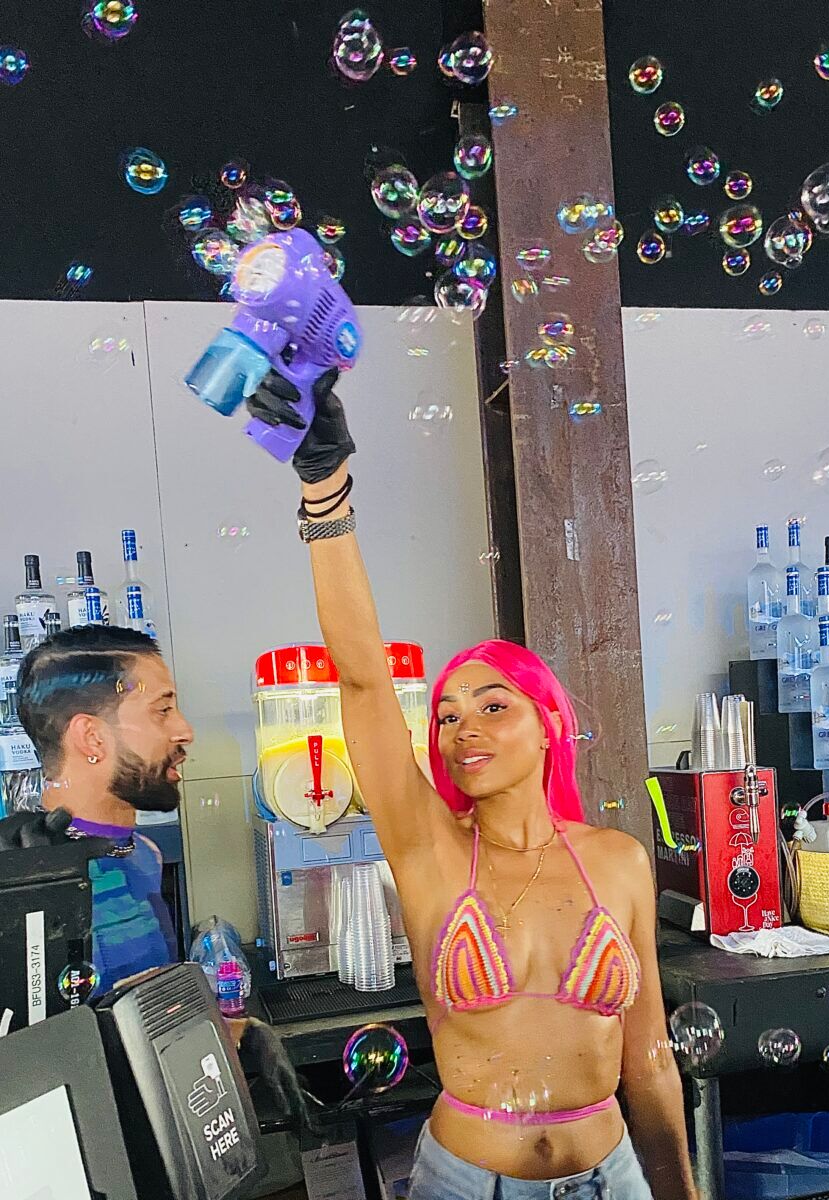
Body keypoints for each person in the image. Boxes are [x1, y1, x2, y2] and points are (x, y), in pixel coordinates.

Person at [244, 370, 698, 1200]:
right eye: (447, 715)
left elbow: (650, 1058)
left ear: (549, 723)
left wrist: (682, 1192)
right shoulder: (429, 850)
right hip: (468, 1184)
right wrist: (324, 490)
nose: (463, 727)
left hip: (615, 1177)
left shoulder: (619, 860)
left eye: (493, 705)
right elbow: (362, 679)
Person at [0, 624, 302, 1115]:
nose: (184, 729)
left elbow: (131, 1021)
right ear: (91, 736)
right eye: (162, 709)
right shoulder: (22, 882)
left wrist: (235, 1034)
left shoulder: (143, 853)